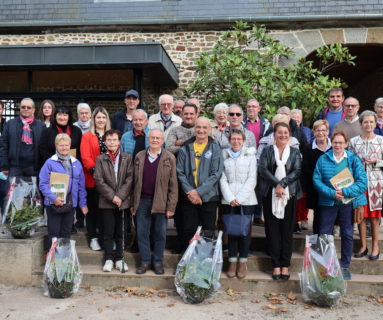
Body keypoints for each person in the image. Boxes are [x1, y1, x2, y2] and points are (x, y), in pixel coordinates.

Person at [313, 130, 367, 280]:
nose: (337, 145)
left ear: (346, 144)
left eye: (340, 142)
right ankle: (325, 266)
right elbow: (316, 180)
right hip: (328, 202)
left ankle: (344, 266)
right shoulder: (323, 159)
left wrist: (345, 192)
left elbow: (363, 182)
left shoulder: (353, 159)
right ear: (332, 143)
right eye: (335, 142)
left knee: (347, 234)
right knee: (324, 233)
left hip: (347, 203)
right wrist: (331, 193)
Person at [258, 122, 302, 280]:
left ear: (289, 134)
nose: (283, 135)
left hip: (289, 194)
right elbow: (262, 169)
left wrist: (282, 184)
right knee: (272, 230)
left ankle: (285, 265)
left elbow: (297, 170)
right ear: (274, 134)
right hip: (269, 194)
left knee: (287, 230)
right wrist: (276, 184)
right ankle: (275, 265)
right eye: (279, 133)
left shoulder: (295, 152)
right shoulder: (267, 150)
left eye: (285, 132)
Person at [131, 129, 178, 275]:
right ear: (148, 139)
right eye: (152, 138)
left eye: (158, 138)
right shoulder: (139, 156)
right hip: (142, 201)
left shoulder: (169, 157)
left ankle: (158, 262)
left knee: (160, 233)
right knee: (142, 233)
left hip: (161, 202)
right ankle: (145, 261)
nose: (155, 140)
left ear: (163, 141)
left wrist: (171, 206)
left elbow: (173, 184)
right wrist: (133, 203)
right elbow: (134, 182)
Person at [177, 117, 223, 248]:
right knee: (189, 230)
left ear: (209, 130)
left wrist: (199, 192)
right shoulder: (185, 149)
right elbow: (180, 172)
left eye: (204, 127)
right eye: (198, 127)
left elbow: (216, 174)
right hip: (189, 197)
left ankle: (205, 263)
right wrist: (191, 192)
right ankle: (188, 263)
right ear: (194, 128)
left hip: (209, 197)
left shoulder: (215, 149)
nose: (201, 130)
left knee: (208, 230)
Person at [94, 129, 133, 272]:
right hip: (106, 202)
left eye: (114, 140)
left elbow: (130, 179)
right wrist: (113, 197)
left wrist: (120, 196)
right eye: (109, 140)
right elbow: (99, 180)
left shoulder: (127, 158)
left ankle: (120, 258)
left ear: (119, 141)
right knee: (108, 232)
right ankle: (109, 259)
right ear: (105, 142)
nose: (112, 142)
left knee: (121, 232)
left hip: (123, 202)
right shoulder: (100, 159)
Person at [39, 134, 88, 248]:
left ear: (70, 146)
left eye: (66, 145)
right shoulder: (49, 163)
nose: (64, 148)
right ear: (56, 146)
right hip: (53, 204)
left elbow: (81, 186)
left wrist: (83, 204)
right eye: (61, 145)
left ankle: (64, 261)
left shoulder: (76, 163)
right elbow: (43, 184)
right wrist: (53, 198)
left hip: (71, 203)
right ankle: (52, 261)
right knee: (54, 232)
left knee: (66, 233)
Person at [220, 129, 257, 279]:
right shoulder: (224, 156)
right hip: (229, 200)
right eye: (233, 139)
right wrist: (230, 198)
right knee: (232, 232)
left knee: (244, 233)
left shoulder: (250, 156)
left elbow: (252, 178)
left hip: (246, 200)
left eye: (239, 139)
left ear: (243, 141)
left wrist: (240, 198)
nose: (236, 141)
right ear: (229, 141)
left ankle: (242, 262)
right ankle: (232, 262)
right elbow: (222, 178)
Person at [349, 110, 382, 260]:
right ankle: (363, 245)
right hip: (359, 183)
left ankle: (375, 245)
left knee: (374, 217)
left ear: (375, 123)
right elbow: (348, 162)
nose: (368, 124)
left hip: (376, 184)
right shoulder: (354, 141)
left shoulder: (381, 141)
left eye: (371, 122)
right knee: (360, 215)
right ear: (361, 124)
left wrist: (377, 161)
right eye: (365, 122)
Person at [165, 102, 198, 253]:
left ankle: (193, 245)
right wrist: (189, 144)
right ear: (182, 115)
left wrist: (181, 144)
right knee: (179, 213)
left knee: (193, 215)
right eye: (186, 113)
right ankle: (180, 243)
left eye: (192, 113)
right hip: (179, 176)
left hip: (197, 178)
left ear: (196, 114)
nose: (189, 116)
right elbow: (170, 148)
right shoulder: (175, 130)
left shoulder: (200, 128)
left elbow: (204, 146)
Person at [80, 106, 111, 251]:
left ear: (107, 119)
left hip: (109, 181)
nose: (101, 120)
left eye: (103, 117)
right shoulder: (87, 136)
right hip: (92, 179)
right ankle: (93, 237)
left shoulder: (111, 135)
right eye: (98, 117)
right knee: (92, 209)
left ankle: (106, 237)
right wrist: (99, 173)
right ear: (94, 119)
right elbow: (85, 158)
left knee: (106, 211)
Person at [0, 98, 46, 178]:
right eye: (23, 107)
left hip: (35, 168)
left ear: (33, 110)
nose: (26, 109)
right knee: (14, 191)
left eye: (29, 107)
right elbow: (3, 146)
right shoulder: (10, 124)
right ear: (20, 109)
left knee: (33, 191)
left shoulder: (41, 126)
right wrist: (4, 165)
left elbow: (44, 148)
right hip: (14, 168)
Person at [302, 120, 331, 234]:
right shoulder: (308, 149)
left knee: (330, 216)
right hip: (315, 189)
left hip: (332, 188)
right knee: (318, 216)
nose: (320, 133)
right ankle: (317, 246)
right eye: (318, 130)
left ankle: (328, 246)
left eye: (323, 130)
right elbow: (306, 170)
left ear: (328, 131)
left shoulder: (333, 147)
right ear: (313, 132)